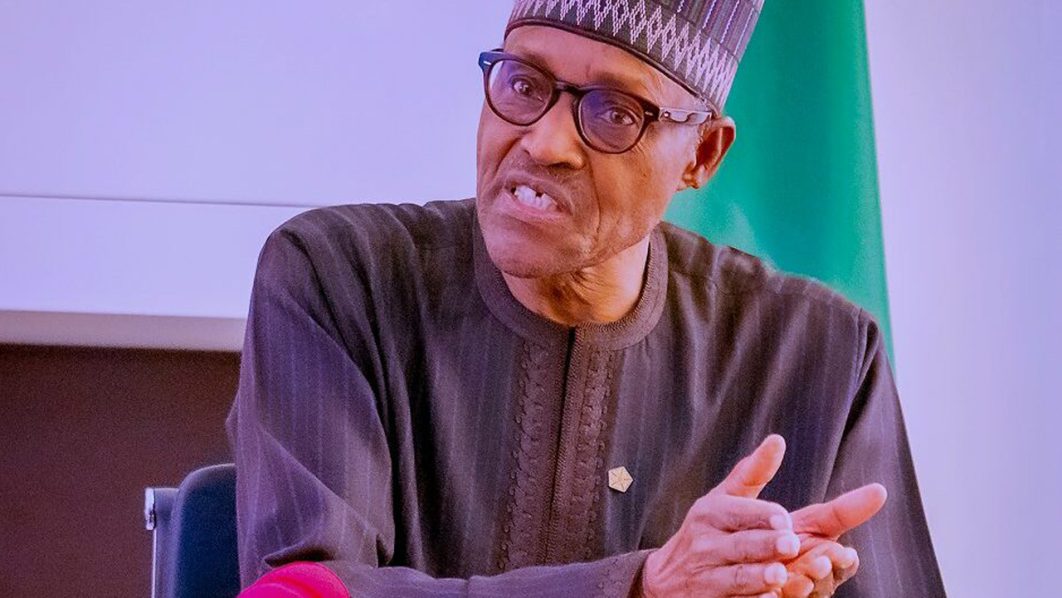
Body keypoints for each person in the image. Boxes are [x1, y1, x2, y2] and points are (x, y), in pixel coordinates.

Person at [227, 1, 945, 596]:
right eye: (523, 83)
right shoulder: (339, 278)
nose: (544, 143)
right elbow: (300, 592)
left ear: (701, 155)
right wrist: (641, 587)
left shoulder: (821, 355)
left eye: (614, 113)